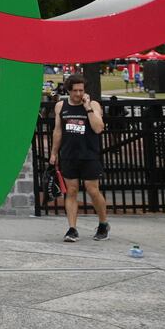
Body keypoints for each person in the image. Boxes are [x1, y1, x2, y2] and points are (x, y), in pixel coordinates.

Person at [49, 73, 108, 242]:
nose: (78, 94)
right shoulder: (61, 106)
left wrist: (88, 107)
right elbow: (58, 131)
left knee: (92, 190)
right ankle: (72, 228)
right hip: (69, 155)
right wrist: (54, 153)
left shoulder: (93, 105)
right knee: (72, 191)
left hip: (89, 155)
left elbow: (98, 128)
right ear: (69, 91)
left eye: (81, 90)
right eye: (75, 91)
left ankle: (103, 223)